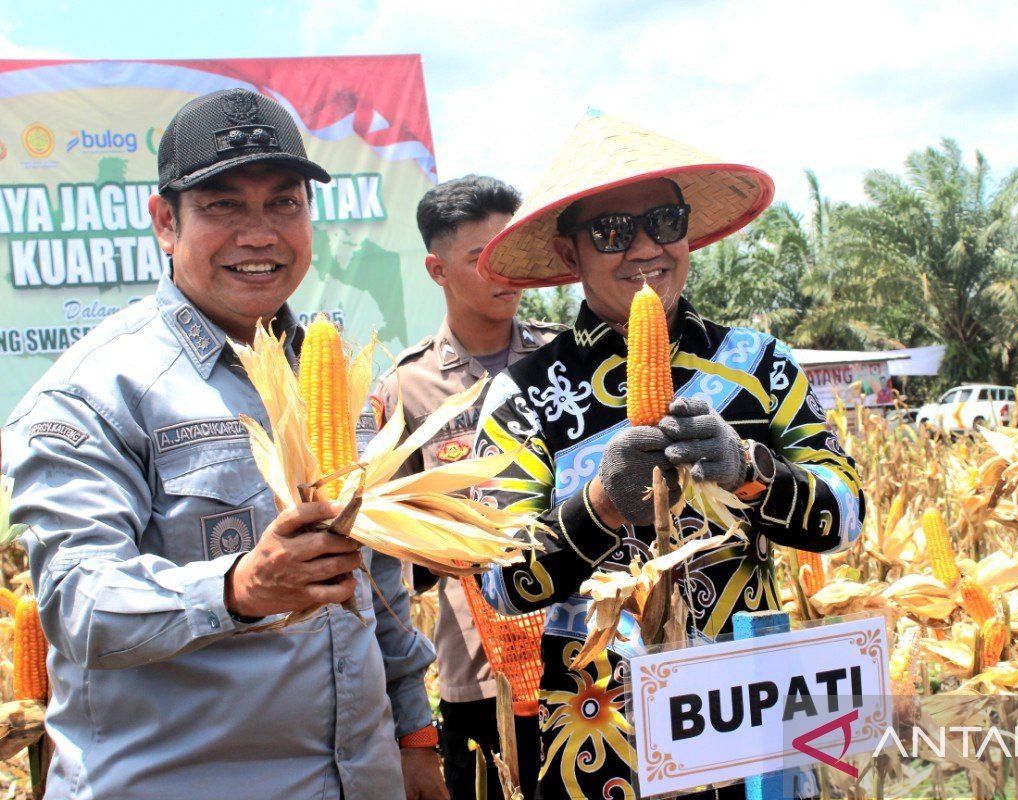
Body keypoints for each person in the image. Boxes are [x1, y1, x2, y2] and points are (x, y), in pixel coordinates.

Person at [1, 88, 447, 800]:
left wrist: (415, 737)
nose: (261, 233)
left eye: (284, 203)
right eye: (223, 206)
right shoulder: (96, 390)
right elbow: (77, 601)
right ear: (164, 223)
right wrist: (237, 589)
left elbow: (379, 585)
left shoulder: (338, 378)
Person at [469, 112, 865, 799]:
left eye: (666, 221)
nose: (647, 249)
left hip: (751, 717)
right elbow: (501, 585)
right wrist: (600, 505)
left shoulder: (757, 364)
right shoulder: (525, 395)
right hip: (600, 738)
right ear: (571, 255)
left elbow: (847, 516)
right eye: (613, 232)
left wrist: (752, 472)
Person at [373, 174, 563, 799]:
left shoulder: (563, 365)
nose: (504, 271)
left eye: (510, 251)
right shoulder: (404, 391)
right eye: (483, 258)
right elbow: (391, 550)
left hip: (580, 658)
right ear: (437, 269)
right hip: (479, 676)